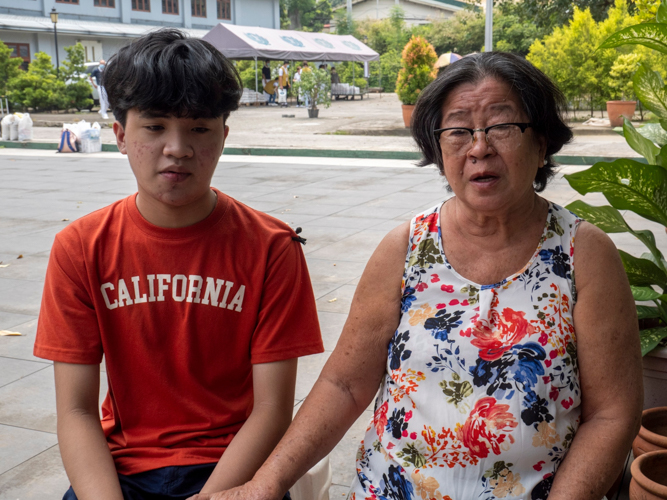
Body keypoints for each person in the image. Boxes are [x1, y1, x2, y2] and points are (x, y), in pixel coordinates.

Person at [192, 52, 643, 500]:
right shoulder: (405, 247)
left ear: (541, 142)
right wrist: (265, 484)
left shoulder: (583, 254)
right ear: (437, 146)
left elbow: (611, 414)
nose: (479, 147)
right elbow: (344, 385)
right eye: (458, 130)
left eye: (502, 126)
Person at [33, 28, 323, 500]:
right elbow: (76, 411)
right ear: (121, 136)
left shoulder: (272, 247)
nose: (178, 147)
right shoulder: (81, 248)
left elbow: (271, 408)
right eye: (154, 127)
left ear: (223, 136)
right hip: (122, 469)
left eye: (199, 128)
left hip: (234, 468)